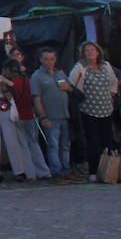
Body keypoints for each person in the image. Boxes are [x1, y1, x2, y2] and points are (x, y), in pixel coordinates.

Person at [0, 58, 35, 181]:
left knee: (12, 141)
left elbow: (11, 96)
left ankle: (19, 171)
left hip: (5, 110)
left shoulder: (3, 80)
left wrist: (3, 88)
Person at [68, 41, 118, 180]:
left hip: (106, 108)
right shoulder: (80, 67)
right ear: (83, 53)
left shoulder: (105, 65)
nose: (90, 52)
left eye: (92, 50)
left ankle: (109, 170)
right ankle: (94, 171)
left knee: (107, 140)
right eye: (87, 50)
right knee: (93, 141)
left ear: (98, 52)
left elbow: (113, 81)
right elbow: (72, 84)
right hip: (88, 110)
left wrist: (111, 94)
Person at [30, 47, 79, 182]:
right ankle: (56, 171)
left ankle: (66, 170)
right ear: (40, 59)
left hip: (64, 114)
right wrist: (43, 117)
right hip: (51, 116)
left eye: (52, 59)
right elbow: (36, 98)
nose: (49, 62)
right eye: (46, 59)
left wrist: (68, 88)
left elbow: (70, 88)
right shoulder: (37, 76)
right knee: (53, 145)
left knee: (65, 145)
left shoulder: (60, 73)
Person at [2, 59, 51, 179]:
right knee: (34, 144)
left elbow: (8, 99)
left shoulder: (10, 84)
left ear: (8, 70)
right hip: (30, 115)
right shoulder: (27, 81)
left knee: (22, 145)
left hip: (18, 116)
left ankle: (30, 173)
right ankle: (43, 171)